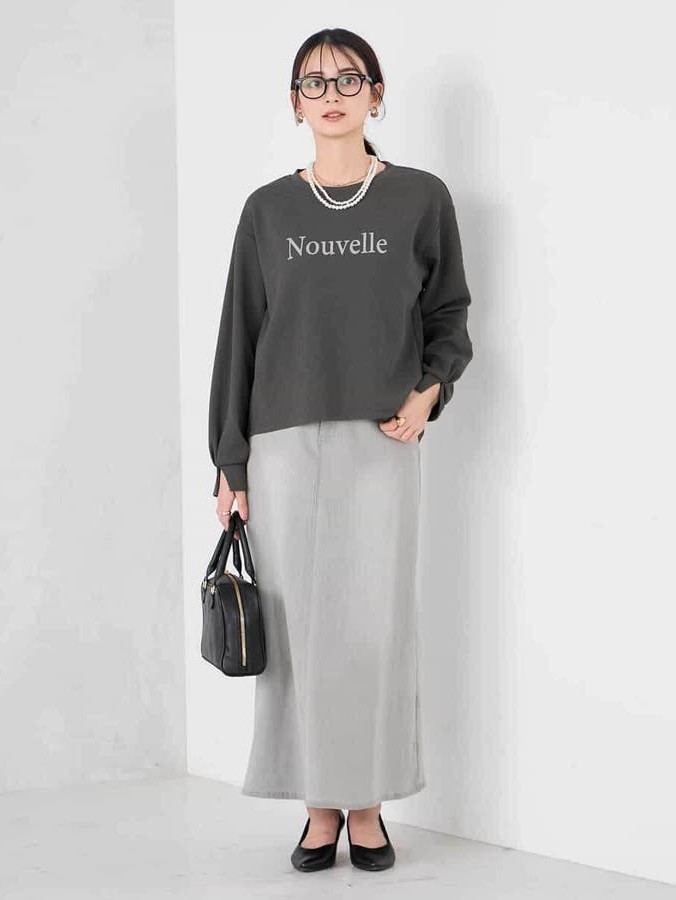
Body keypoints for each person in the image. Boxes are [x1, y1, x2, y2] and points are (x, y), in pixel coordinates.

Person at [207, 28, 474, 872]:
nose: (332, 94)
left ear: (376, 94)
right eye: (314, 82)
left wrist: (429, 391)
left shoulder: (420, 199)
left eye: (349, 79)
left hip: (381, 439)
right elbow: (239, 335)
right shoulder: (267, 211)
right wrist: (229, 461)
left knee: (372, 628)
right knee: (298, 634)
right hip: (280, 442)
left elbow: (449, 314)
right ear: (294, 103)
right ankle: (318, 807)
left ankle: (369, 806)